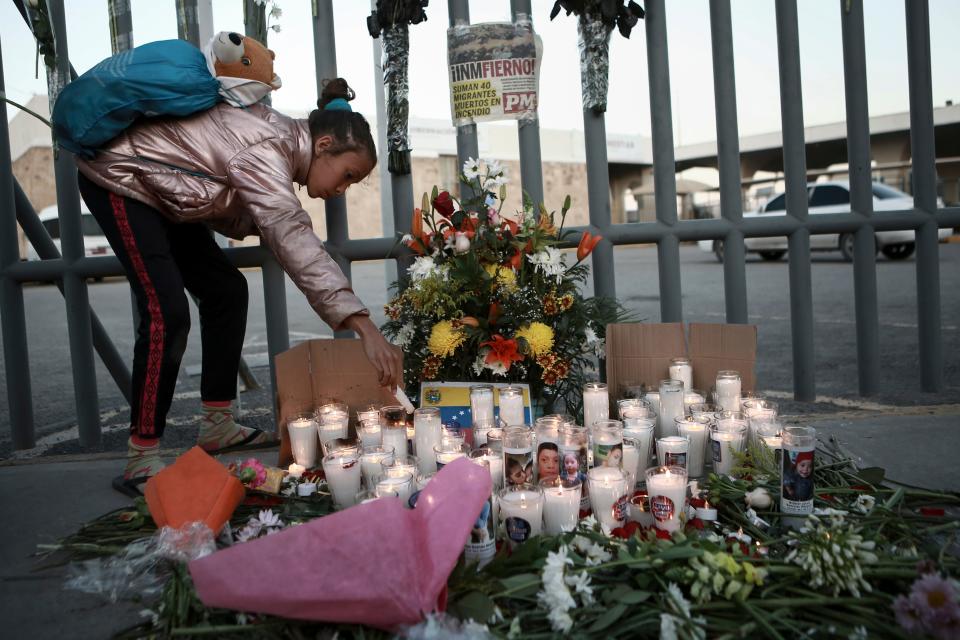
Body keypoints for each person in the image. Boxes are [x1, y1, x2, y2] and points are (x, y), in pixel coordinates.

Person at [76, 78, 402, 497]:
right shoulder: (268, 147)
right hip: (123, 176)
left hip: (165, 194)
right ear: (322, 146)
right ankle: (142, 453)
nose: (341, 190)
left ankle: (216, 423)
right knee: (166, 313)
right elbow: (292, 236)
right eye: (347, 175)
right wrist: (365, 328)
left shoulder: (279, 147)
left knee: (226, 291)